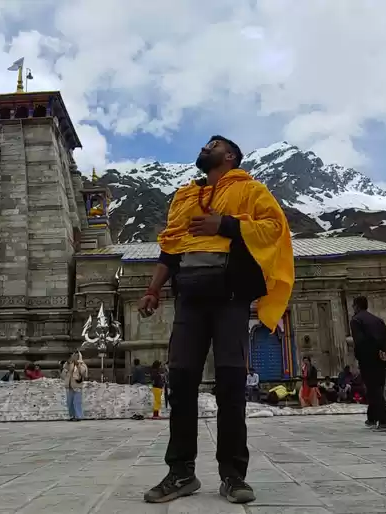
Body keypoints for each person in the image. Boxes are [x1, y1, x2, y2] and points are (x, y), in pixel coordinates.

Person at [137, 135, 294, 505]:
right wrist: (154, 290)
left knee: (230, 385)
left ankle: (234, 475)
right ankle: (180, 473)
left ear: (230, 156)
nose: (205, 147)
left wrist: (226, 224)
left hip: (230, 298)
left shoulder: (251, 190)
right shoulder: (185, 197)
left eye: (214, 144)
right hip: (189, 299)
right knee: (181, 382)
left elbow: (274, 227)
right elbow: (171, 247)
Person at [350, 295, 386, 431]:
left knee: (373, 390)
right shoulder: (377, 320)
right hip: (381, 358)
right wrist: (384, 351)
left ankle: (385, 421)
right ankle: (372, 418)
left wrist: (361, 357)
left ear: (356, 306)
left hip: (368, 359)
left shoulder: (356, 320)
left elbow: (360, 341)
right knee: (376, 388)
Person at [62, 352, 88, 421]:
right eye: (73, 356)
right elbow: (64, 371)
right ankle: (72, 416)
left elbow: (83, 373)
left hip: (77, 385)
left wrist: (78, 364)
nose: (74, 357)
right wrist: (68, 363)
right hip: (69, 385)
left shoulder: (82, 364)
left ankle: (78, 416)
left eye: (76, 356)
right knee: (69, 402)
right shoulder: (69, 364)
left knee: (77, 402)